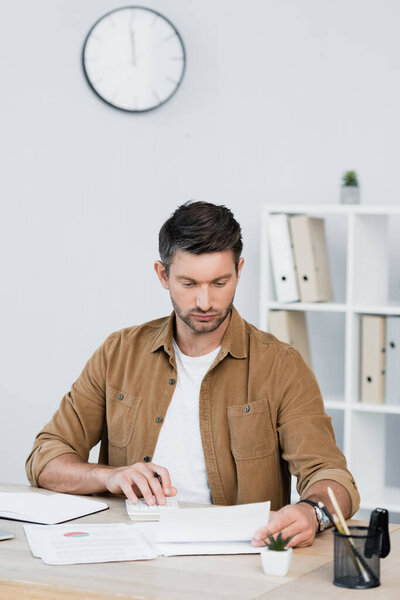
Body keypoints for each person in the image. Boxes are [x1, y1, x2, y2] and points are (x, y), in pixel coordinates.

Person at [26, 201, 359, 548]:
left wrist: (311, 512)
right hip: (130, 552)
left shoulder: (280, 365)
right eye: (188, 283)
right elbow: (45, 459)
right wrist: (111, 477)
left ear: (239, 271)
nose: (204, 302)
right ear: (162, 275)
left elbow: (332, 476)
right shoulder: (119, 352)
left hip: (240, 556)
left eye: (219, 282)